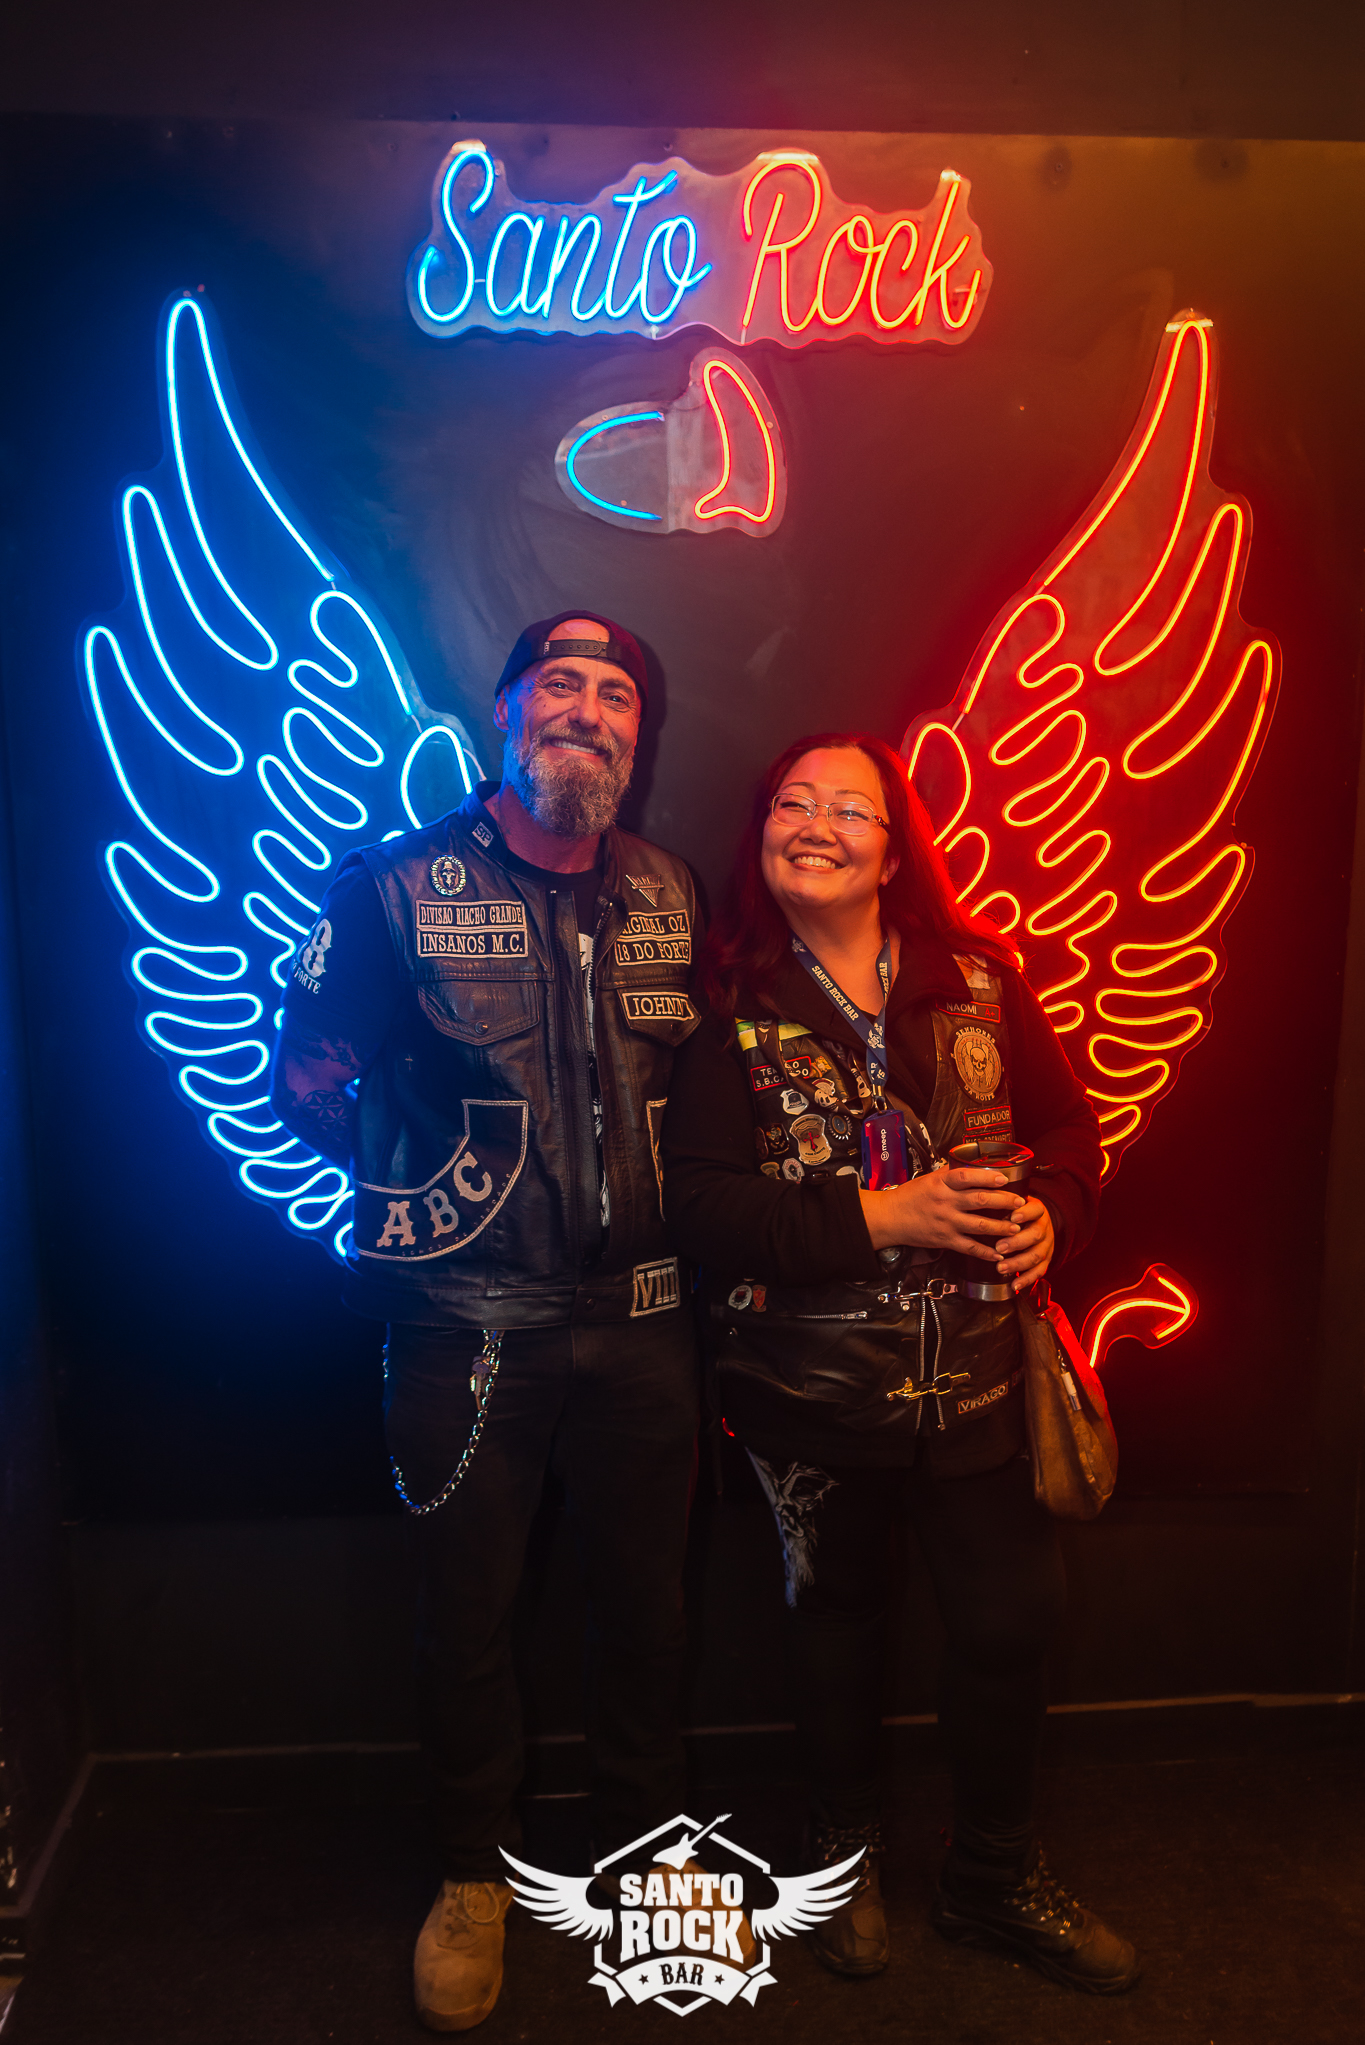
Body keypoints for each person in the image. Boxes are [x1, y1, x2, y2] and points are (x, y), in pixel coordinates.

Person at [271, 614, 702, 2032]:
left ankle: (646, 1853)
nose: (589, 709)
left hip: (646, 1321)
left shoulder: (667, 887)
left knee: (648, 1610)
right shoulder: (393, 886)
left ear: (637, 735)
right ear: (505, 710)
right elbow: (310, 1080)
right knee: (467, 1615)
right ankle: (472, 1874)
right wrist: (431, 1204)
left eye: (616, 694)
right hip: (464, 1328)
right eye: (559, 684)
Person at [660, 731, 1139, 1995]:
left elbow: (1069, 1130)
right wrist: (882, 1217)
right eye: (791, 802)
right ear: (763, 833)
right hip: (803, 1392)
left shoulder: (980, 976)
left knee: (1014, 1617)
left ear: (891, 849)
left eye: (849, 808)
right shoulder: (721, 1003)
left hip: (980, 1374)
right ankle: (842, 1861)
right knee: (836, 1625)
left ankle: (993, 1875)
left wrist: (1058, 1214)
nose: (814, 823)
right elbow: (697, 1205)